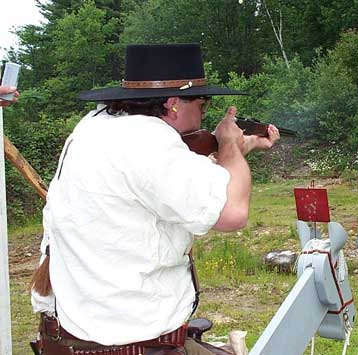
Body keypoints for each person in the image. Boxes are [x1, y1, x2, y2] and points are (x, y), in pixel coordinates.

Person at [30, 43, 280, 355]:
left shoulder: (95, 124)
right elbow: (232, 213)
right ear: (174, 103)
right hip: (126, 342)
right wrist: (229, 145)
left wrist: (237, 151)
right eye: (202, 104)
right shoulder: (148, 141)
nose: (204, 112)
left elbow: (167, 180)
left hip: (73, 333)